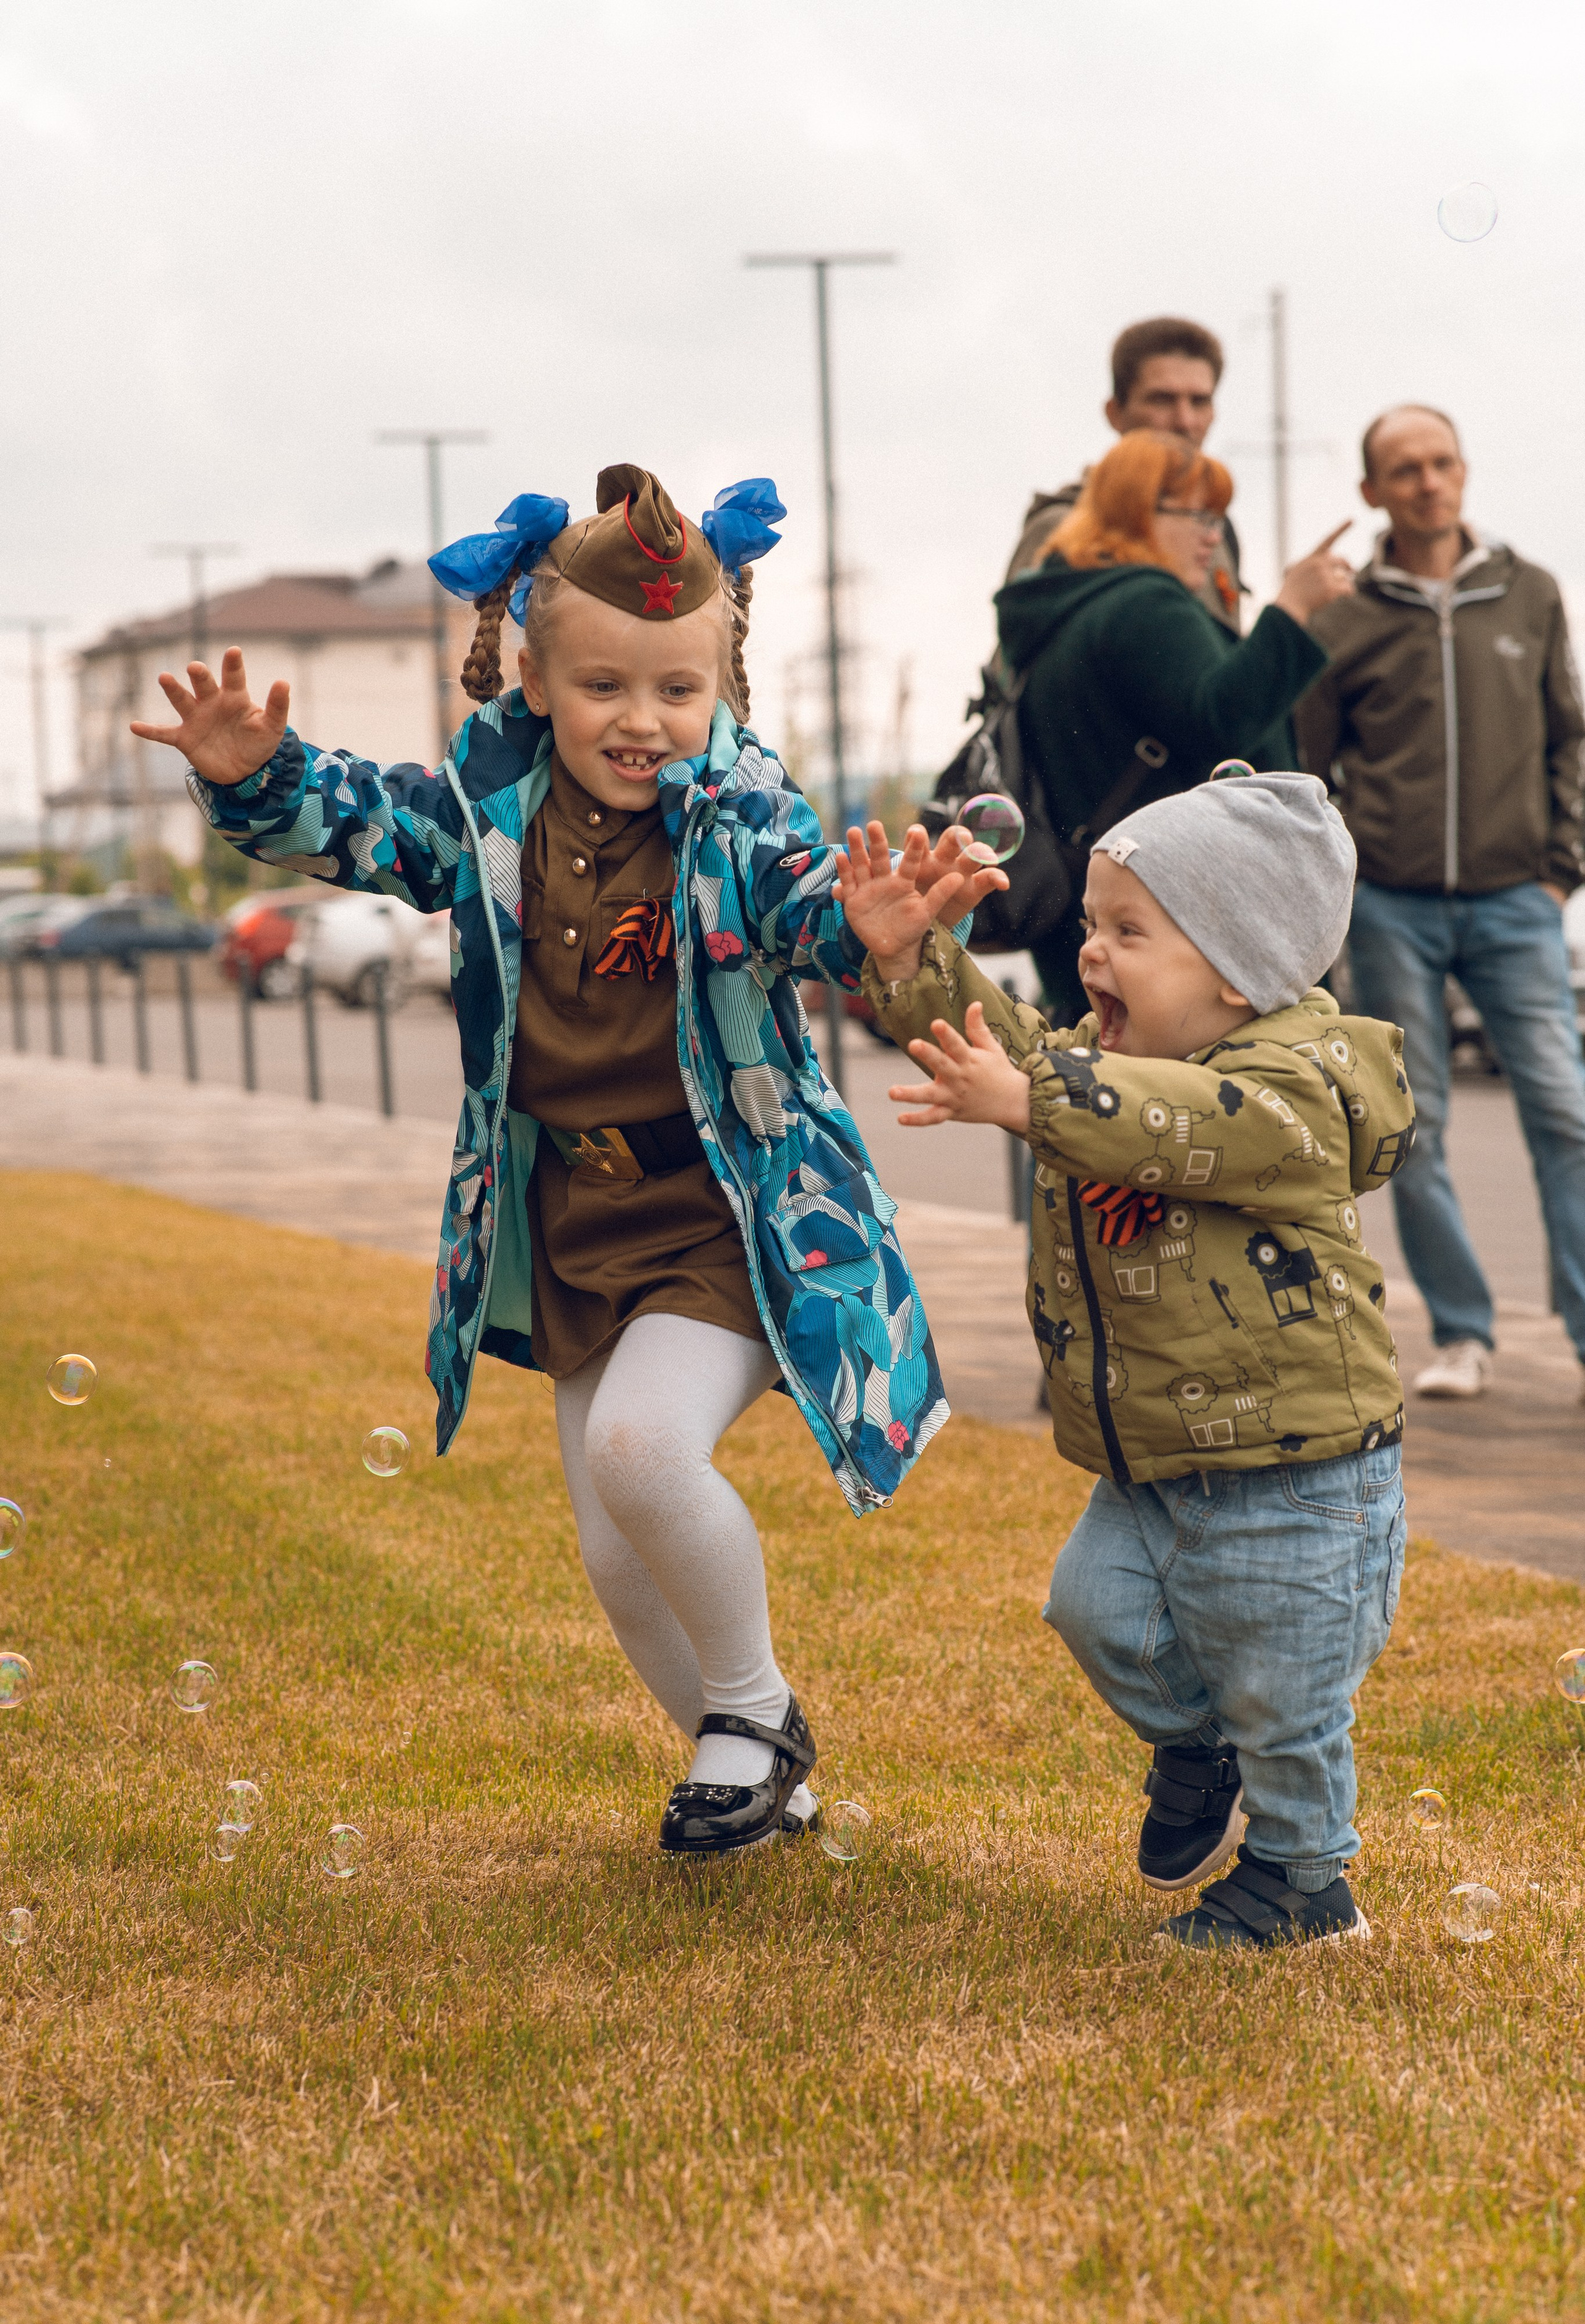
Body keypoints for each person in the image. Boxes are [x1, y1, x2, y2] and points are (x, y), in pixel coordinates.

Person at [131, 465, 997, 1858]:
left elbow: (797, 913)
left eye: (675, 690)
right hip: (569, 1211)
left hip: (721, 1205)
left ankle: (757, 1719)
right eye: (603, 688)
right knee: (611, 1546)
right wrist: (258, 780)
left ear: (719, 686)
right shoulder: (486, 805)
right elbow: (365, 826)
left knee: (646, 1449)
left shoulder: (746, 814)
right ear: (531, 677)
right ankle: (770, 1785)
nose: (641, 722)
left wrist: (866, 931)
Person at [835, 773, 1413, 1950]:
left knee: (1285, 1696)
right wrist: (911, 968)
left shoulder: (1295, 1089)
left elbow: (1176, 1120)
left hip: (1297, 1472)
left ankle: (1307, 1882)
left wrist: (1034, 1096)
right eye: (1092, 926)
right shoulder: (1102, 1071)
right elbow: (1028, 1059)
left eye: (1129, 933)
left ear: (1237, 971)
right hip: (1152, 1459)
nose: (1091, 953)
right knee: (1091, 1611)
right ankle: (1197, 1749)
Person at [1296, 406, 1585, 1401]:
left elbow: (1571, 739)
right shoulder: (1347, 618)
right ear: (1373, 491)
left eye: (1442, 463)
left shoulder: (1531, 593)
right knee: (1412, 1128)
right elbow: (1309, 769)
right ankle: (1463, 1334)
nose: (1429, 482)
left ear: (1464, 471)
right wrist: (1350, 887)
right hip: (1392, 909)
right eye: (1405, 470)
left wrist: (1561, 870)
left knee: (1566, 1110)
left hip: (1519, 902)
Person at [998, 427, 1353, 1019]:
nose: (1214, 537)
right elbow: (1223, 719)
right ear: (1137, 511)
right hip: (1187, 927)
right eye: (1197, 515)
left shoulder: (1067, 605)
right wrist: (1292, 608)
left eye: (1219, 518)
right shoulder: (1145, 603)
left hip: (1108, 909)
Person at [1005, 316, 1244, 631]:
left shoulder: (1214, 529)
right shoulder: (1067, 525)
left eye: (1199, 402)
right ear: (1115, 413)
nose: (1185, 421)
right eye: (1162, 400)